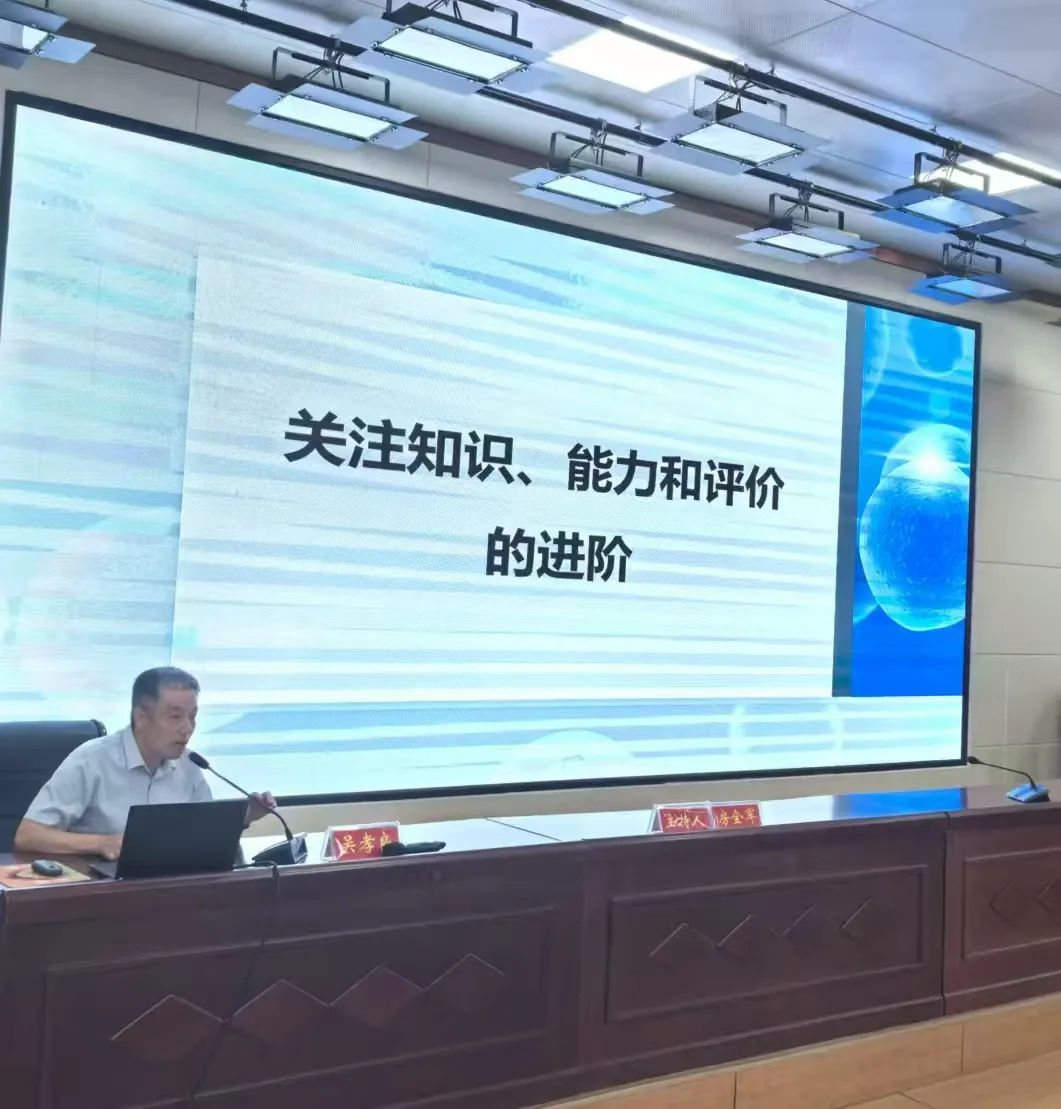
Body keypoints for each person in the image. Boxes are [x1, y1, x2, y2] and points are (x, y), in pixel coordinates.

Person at [13, 667, 277, 860]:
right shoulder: (91, 760)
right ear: (141, 717)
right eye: (175, 717)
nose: (187, 728)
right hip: (98, 894)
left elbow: (202, 838)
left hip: (166, 891)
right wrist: (102, 843)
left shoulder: (191, 766)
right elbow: (28, 835)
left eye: (193, 716)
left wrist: (244, 817)